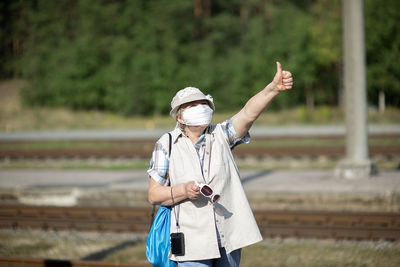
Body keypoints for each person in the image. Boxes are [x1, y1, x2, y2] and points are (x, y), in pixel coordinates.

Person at [147, 62, 293, 267]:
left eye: (202, 103)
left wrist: (272, 89)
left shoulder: (221, 135)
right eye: (191, 105)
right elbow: (154, 195)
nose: (200, 108)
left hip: (228, 239)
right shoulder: (167, 144)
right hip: (191, 243)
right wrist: (183, 190)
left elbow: (248, 113)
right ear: (179, 116)